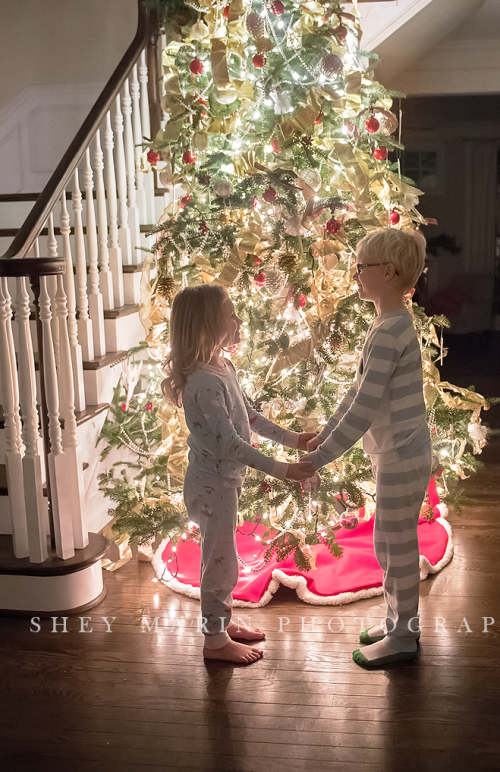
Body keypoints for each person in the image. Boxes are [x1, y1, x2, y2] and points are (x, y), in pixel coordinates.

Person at [161, 283, 314, 665]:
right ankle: (214, 641)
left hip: (222, 482)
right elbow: (230, 443)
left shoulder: (222, 366)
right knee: (219, 562)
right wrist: (283, 470)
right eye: (231, 314)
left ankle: (222, 623)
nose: (239, 319)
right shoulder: (204, 382)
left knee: (221, 557)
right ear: (207, 326)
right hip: (211, 485)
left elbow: (250, 418)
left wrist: (296, 440)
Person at [302, 228, 432, 668]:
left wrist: (318, 457)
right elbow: (356, 395)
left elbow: (363, 409)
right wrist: (324, 433)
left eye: (362, 268)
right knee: (389, 544)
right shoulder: (386, 324)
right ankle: (398, 622)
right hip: (396, 453)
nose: (355, 275)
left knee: (396, 549)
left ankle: (404, 637)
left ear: (389, 272)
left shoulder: (389, 331)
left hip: (402, 454)